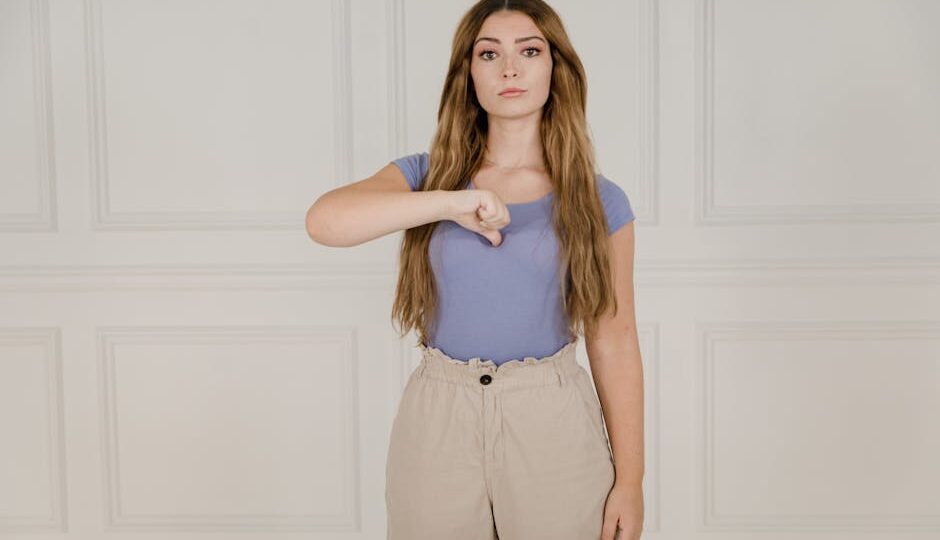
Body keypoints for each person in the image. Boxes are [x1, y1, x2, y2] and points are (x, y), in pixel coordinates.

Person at [306, 1, 644, 538]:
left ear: (556, 68)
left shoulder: (599, 200)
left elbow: (615, 339)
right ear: (469, 72)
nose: (509, 68)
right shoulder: (423, 175)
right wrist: (449, 202)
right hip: (439, 417)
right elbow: (325, 222)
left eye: (529, 51)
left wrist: (631, 481)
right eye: (490, 53)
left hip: (552, 421)